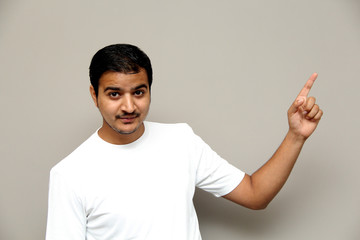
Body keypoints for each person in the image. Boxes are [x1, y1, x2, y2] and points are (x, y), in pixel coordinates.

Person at [46, 44, 323, 240]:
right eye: (114, 94)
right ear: (95, 96)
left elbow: (255, 194)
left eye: (139, 92)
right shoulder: (69, 175)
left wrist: (296, 135)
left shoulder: (180, 140)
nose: (129, 106)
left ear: (149, 91)